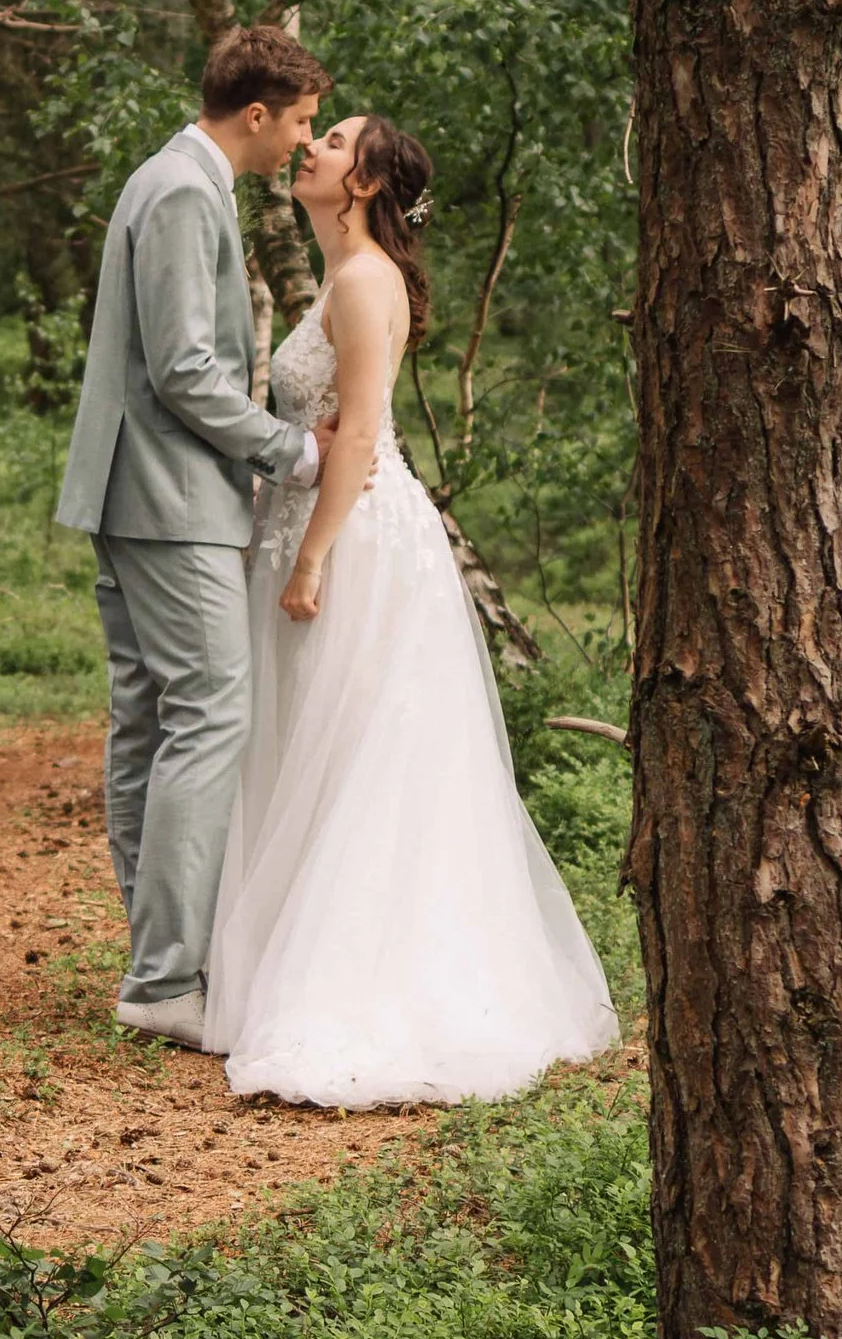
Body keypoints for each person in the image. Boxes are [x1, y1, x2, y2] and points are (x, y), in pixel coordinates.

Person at [204, 114, 618, 1106]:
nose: (312, 146)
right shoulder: (344, 278)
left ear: (365, 181)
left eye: (335, 140)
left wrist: (310, 557)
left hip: (355, 543)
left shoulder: (359, 281)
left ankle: (357, 982)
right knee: (314, 744)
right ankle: (273, 960)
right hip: (323, 525)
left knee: (352, 753)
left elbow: (358, 440)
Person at [56, 23, 338, 1046]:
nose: (301, 144)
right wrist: (288, 451)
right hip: (170, 499)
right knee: (210, 712)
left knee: (150, 717)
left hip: (138, 493)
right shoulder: (183, 189)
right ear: (254, 112)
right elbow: (181, 369)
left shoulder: (170, 180)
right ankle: (170, 976)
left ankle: (157, 966)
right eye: (299, 122)